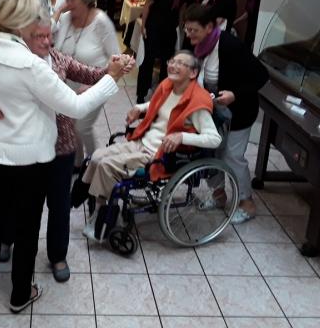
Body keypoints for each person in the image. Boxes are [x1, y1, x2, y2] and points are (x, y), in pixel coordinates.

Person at [0, 0, 128, 313]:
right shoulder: (30, 64)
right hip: (28, 158)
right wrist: (111, 78)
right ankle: (20, 293)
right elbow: (75, 106)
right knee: (27, 225)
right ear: (21, 23)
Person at [81, 50, 222, 241]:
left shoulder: (197, 101)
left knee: (106, 166)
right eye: (172, 61)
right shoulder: (168, 86)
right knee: (97, 157)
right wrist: (139, 108)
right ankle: (89, 197)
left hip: (157, 155)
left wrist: (182, 137)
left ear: (193, 73)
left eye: (181, 63)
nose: (173, 65)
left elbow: (214, 139)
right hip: (141, 141)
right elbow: (154, 104)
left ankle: (102, 215)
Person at [183, 3, 269, 224]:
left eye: (194, 30)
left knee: (232, 156)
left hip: (239, 111)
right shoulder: (197, 45)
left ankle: (247, 202)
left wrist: (234, 94)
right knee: (212, 152)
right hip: (214, 110)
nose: (189, 34)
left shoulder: (230, 45)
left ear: (209, 27)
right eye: (187, 29)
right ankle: (218, 194)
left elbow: (261, 75)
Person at [54, 0, 121, 169]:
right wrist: (58, 12)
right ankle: (77, 162)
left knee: (82, 126)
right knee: (70, 126)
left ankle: (94, 164)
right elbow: (52, 45)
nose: (68, 3)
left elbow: (116, 58)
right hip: (68, 86)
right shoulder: (65, 19)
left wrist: (94, 85)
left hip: (95, 84)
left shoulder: (101, 21)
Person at [136, 0, 195, 104]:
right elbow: (148, 4)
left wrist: (182, 28)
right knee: (148, 61)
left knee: (168, 62)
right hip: (154, 26)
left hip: (170, 28)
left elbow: (183, 9)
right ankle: (141, 94)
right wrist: (143, 26)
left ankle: (163, 93)